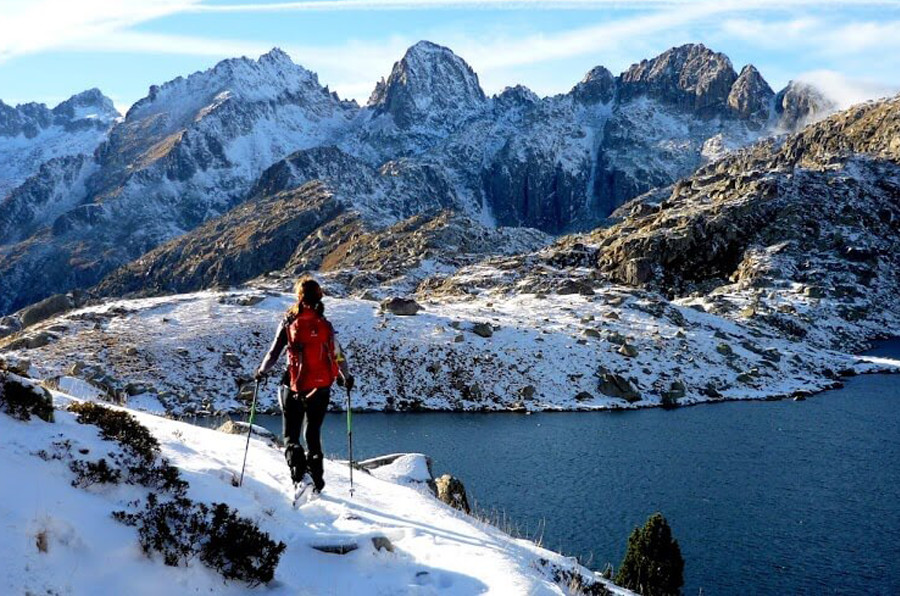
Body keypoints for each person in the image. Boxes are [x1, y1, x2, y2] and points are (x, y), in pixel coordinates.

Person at [255, 277, 353, 496]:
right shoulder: (325, 324)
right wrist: (346, 376)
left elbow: (273, 353)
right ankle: (317, 481)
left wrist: (261, 372)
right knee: (313, 434)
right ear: (319, 297)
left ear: (298, 296)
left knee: (291, 435)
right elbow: (337, 354)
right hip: (321, 388)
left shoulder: (289, 322)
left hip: (293, 385)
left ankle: (299, 477)